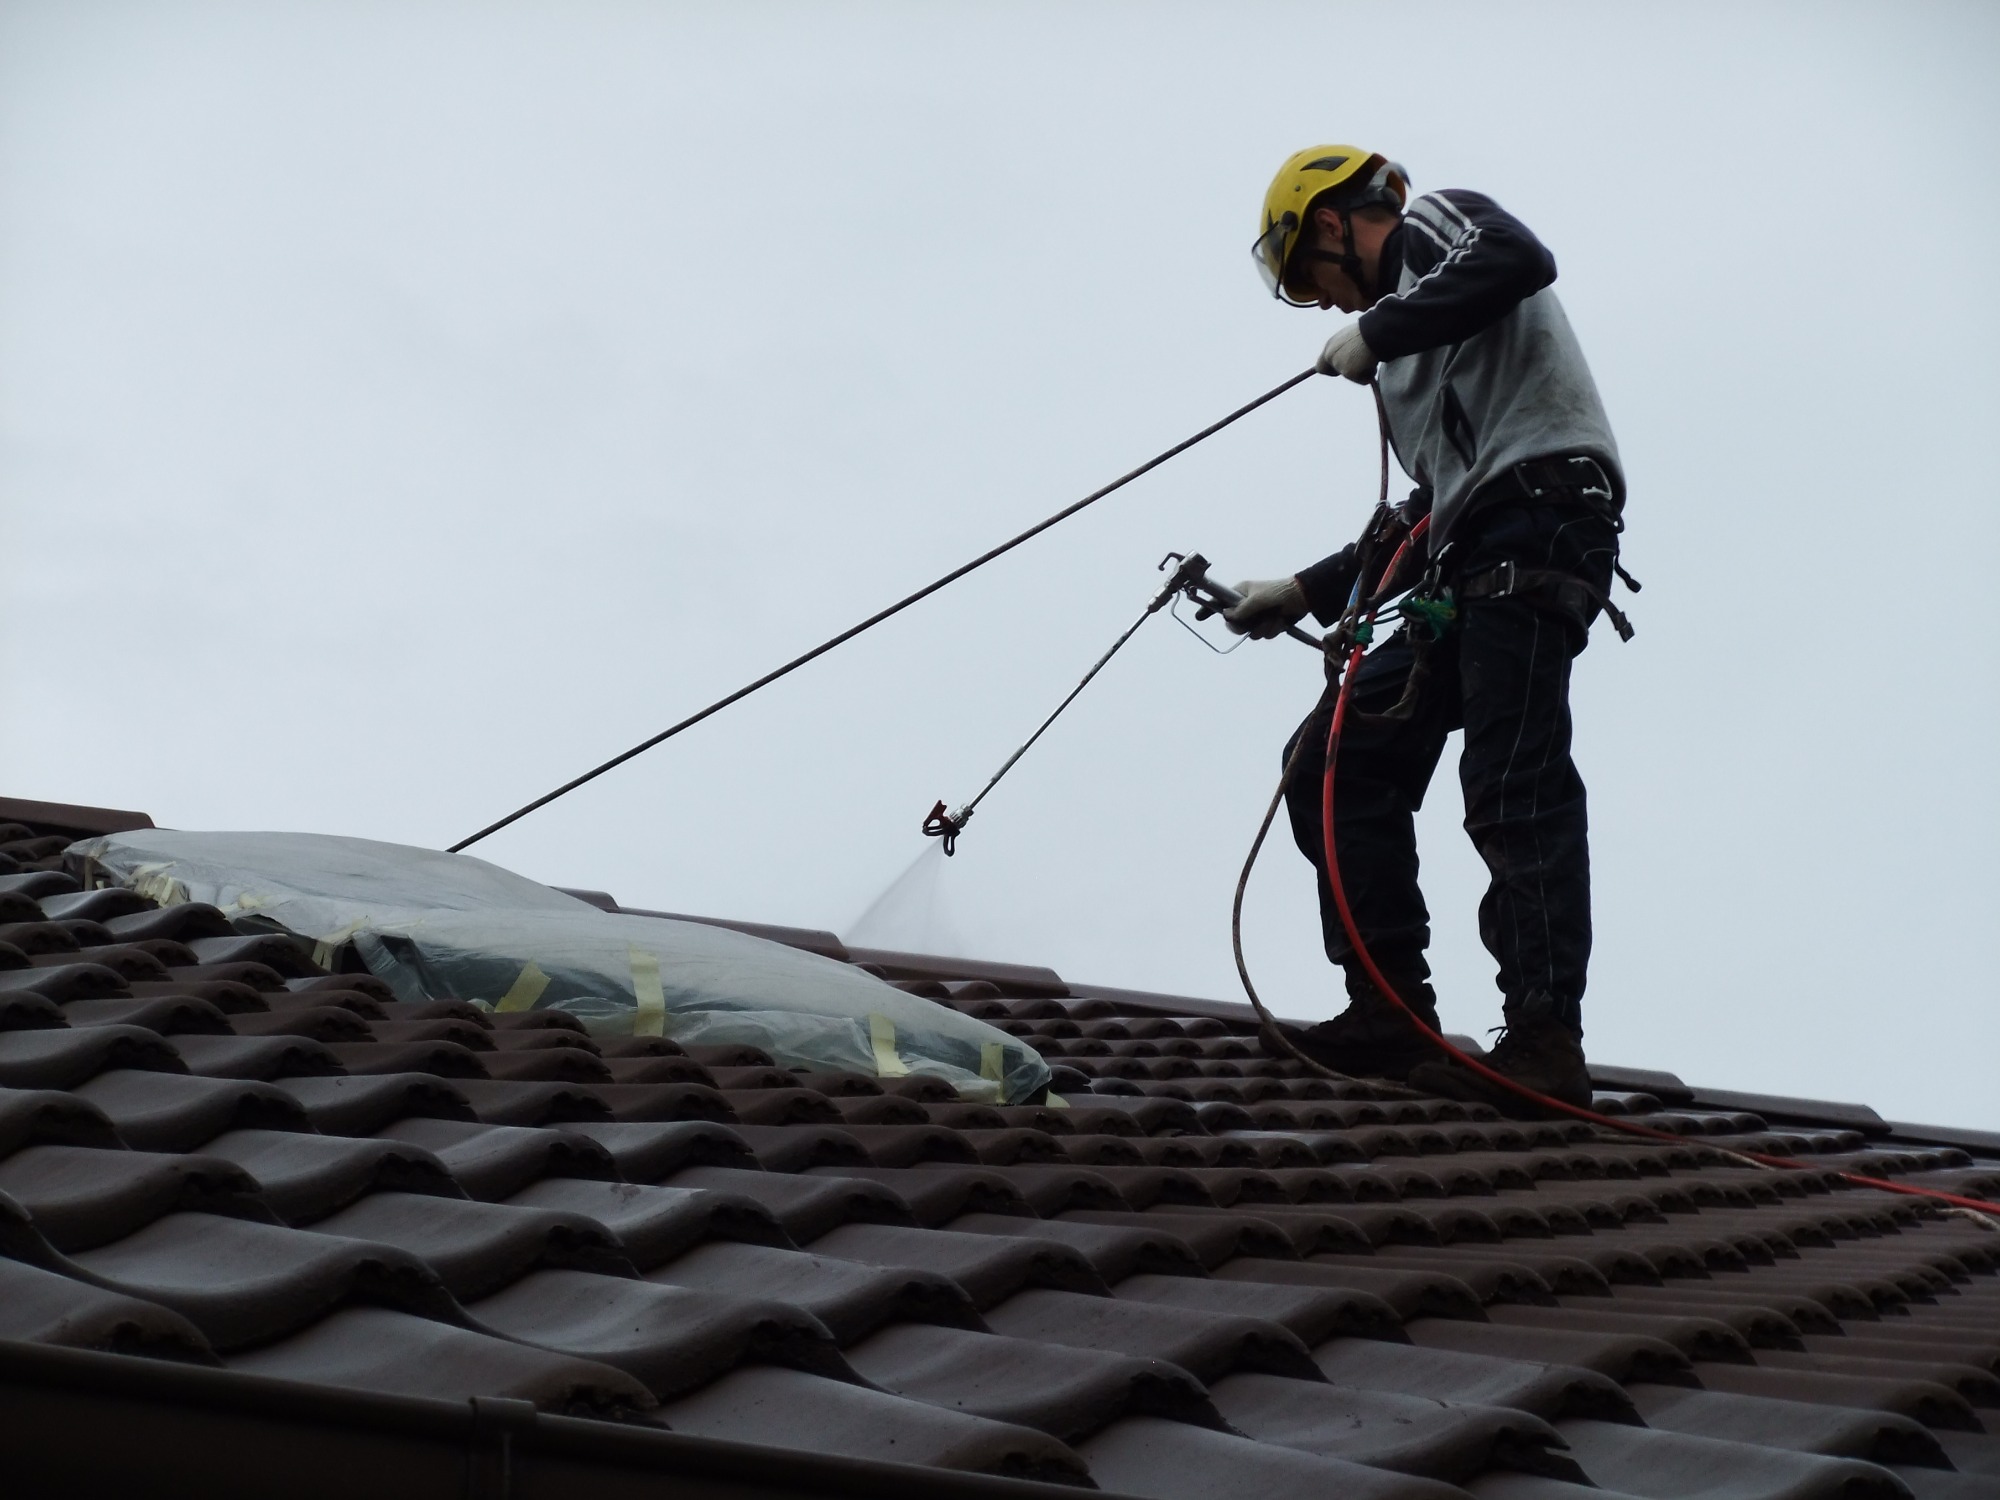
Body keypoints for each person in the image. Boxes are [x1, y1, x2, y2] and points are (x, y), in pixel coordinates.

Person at [1227, 145, 1631, 1115]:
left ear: (1329, 223)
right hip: (1474, 543)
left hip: (1539, 519)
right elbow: (1427, 504)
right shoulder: (1405, 357)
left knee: (1509, 777)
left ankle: (1542, 1041)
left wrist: (1382, 322)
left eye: (1312, 280)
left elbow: (1518, 256)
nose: (1325, 305)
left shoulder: (1437, 230)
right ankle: (1389, 1015)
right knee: (1331, 756)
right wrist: (1307, 587)